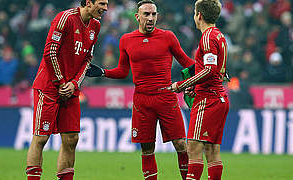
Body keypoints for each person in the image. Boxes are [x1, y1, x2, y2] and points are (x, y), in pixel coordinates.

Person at [86, 0, 194, 179]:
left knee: (181, 144)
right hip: (142, 101)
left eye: (153, 14)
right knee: (147, 147)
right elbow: (122, 71)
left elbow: (187, 62)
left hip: (166, 97)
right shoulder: (126, 40)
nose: (150, 18)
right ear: (137, 17)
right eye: (146, 14)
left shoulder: (168, 37)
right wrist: (103, 72)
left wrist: (207, 71)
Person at [25, 0, 108, 179]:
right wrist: (62, 82)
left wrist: (75, 84)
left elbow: (87, 59)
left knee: (71, 139)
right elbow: (50, 52)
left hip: (71, 89)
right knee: (41, 138)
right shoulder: (65, 18)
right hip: (49, 86)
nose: (106, 8)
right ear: (88, 3)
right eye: (102, 3)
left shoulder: (96, 25)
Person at [165, 0, 229, 179]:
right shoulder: (219, 36)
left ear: (199, 15)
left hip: (208, 99)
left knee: (193, 147)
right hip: (219, 97)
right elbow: (217, 70)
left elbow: (210, 69)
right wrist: (196, 84)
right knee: (212, 150)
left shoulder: (207, 37)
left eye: (194, 12)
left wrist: (183, 84)